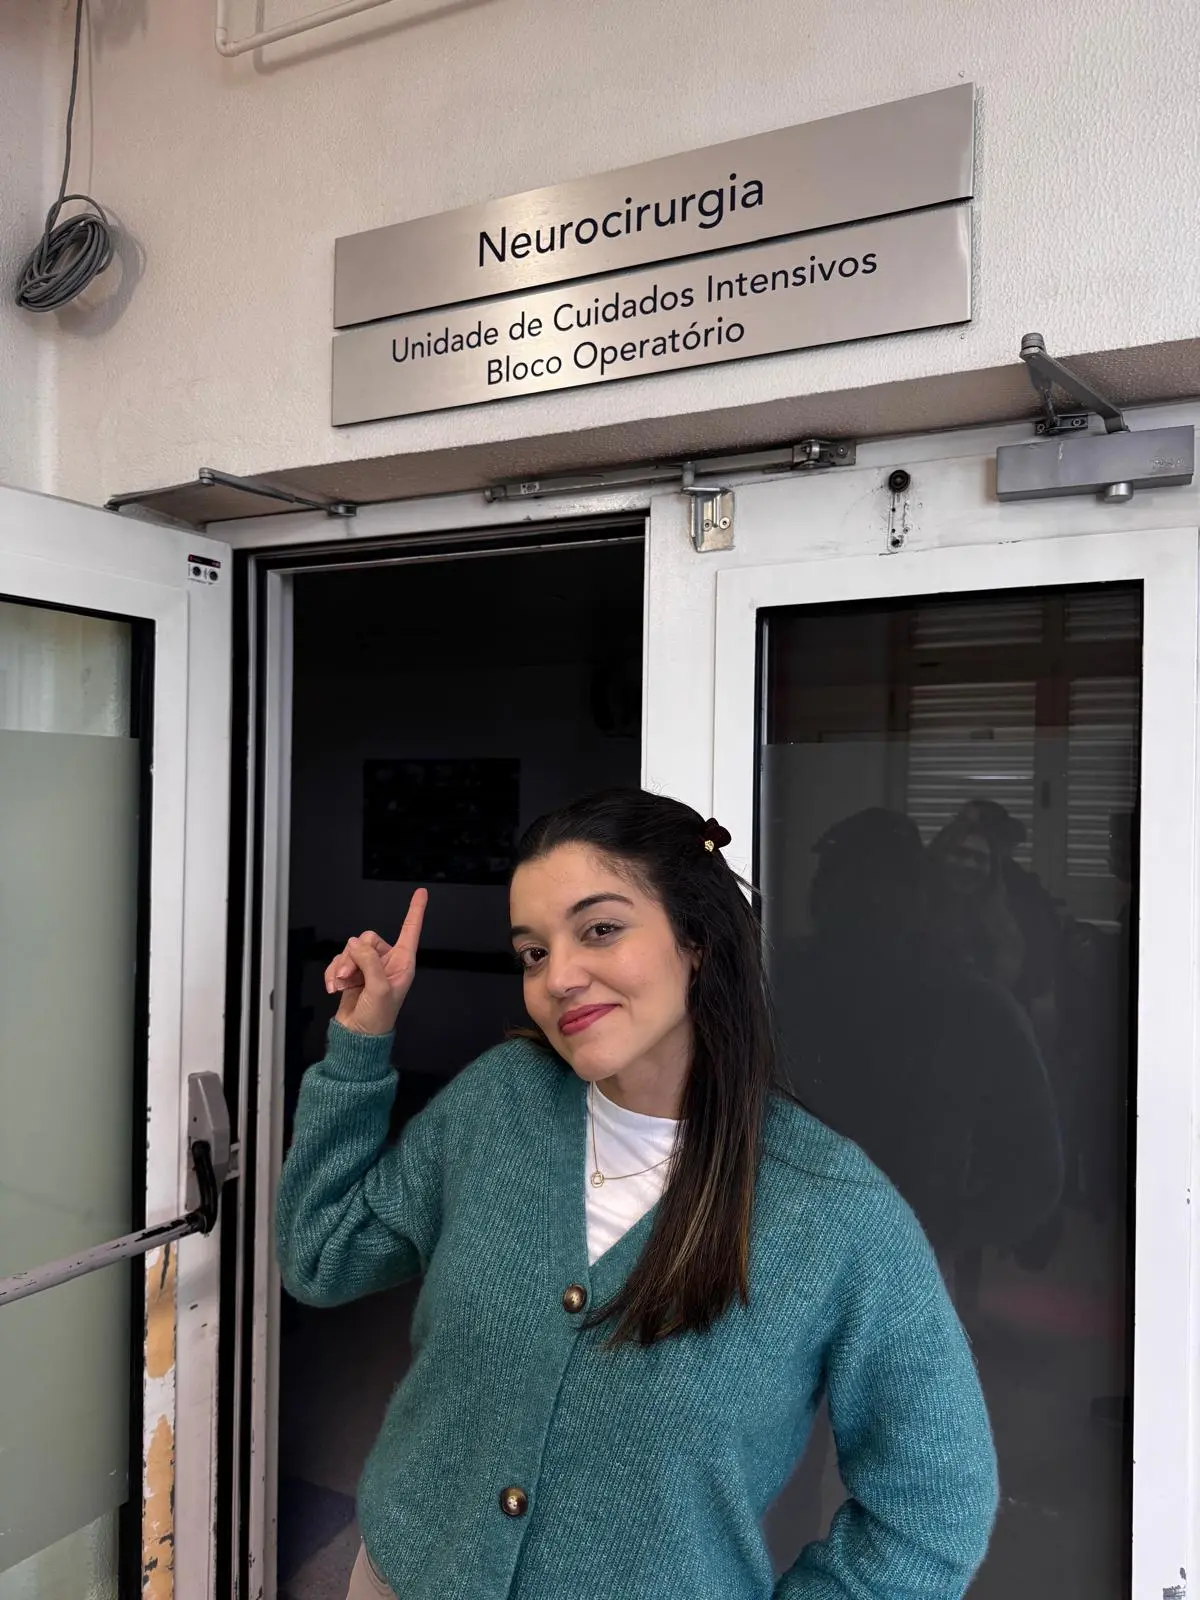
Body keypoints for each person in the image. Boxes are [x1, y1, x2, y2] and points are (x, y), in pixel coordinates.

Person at [276, 789, 999, 1600]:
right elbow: (320, 1254)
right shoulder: (499, 1103)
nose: (559, 977)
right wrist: (361, 1039)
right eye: (532, 952)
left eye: (600, 929)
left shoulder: (836, 1214)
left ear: (694, 940)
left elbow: (933, 1512)